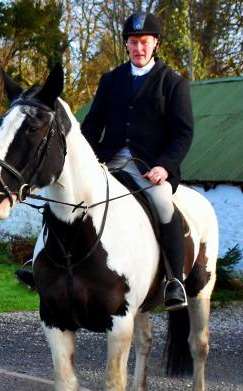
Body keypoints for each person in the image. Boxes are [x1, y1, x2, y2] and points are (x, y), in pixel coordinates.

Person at [17, 12, 193, 311]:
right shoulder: (112, 79)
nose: (138, 48)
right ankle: (40, 263)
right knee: (62, 198)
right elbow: (93, 123)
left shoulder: (173, 83)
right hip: (106, 162)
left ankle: (174, 280)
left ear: (156, 44)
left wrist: (165, 166)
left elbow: (183, 133)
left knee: (164, 204)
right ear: (126, 44)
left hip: (149, 168)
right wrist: (79, 160)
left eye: (144, 42)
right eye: (133, 42)